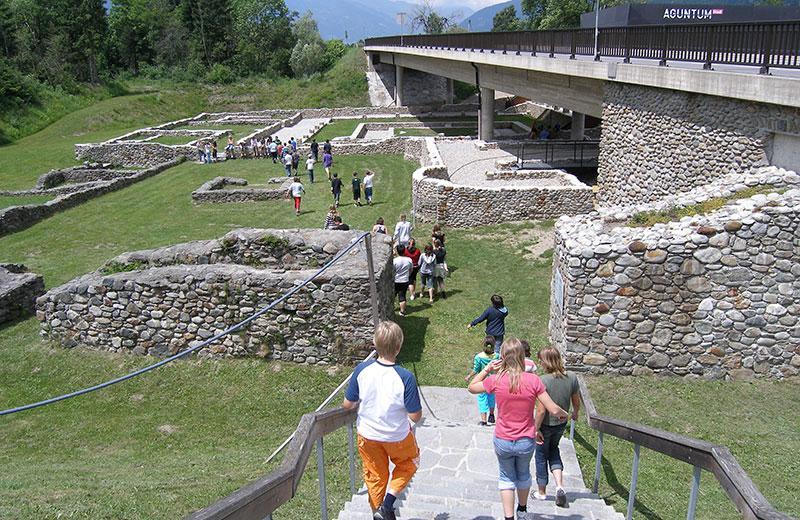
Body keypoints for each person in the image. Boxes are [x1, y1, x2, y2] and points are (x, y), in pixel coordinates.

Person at [468, 339, 568, 520]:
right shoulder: (533, 381)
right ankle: (522, 510)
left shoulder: (496, 380)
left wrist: (487, 369)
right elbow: (552, 409)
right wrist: (565, 414)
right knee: (523, 475)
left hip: (503, 438)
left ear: (503, 357)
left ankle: (508, 517)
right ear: (522, 356)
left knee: (506, 478)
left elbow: (472, 387)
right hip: (525, 440)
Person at [343, 320, 422, 520]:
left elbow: (348, 405)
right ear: (399, 347)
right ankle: (387, 505)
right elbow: (415, 416)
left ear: (374, 343)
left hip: (368, 435)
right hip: (397, 435)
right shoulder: (405, 377)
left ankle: (378, 510)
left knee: (375, 475)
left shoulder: (362, 369)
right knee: (410, 462)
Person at [534, 347, 581, 507]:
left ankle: (541, 492)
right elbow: (576, 400)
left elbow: (541, 410)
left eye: (541, 360)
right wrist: (575, 412)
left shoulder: (543, 380)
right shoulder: (572, 377)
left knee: (541, 456)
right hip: (561, 423)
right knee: (554, 450)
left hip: (546, 424)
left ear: (546, 361)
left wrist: (535, 429)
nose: (540, 363)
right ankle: (560, 486)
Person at [465, 335, 499, 426]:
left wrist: (469, 376)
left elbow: (476, 369)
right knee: (492, 398)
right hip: (493, 381)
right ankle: (491, 415)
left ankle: (484, 421)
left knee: (482, 400)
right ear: (494, 345)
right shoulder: (497, 356)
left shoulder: (478, 357)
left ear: (483, 344)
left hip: (482, 382)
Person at [393, 245, 413, 317]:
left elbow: (392, 271)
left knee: (393, 295)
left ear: (397, 251)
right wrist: (408, 275)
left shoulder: (394, 260)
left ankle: (391, 308)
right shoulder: (409, 260)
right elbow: (411, 270)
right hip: (405, 280)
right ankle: (402, 312)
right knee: (402, 296)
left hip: (396, 280)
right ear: (404, 251)